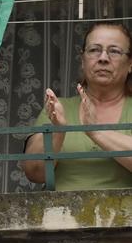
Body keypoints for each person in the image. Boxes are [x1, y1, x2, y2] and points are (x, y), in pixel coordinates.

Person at [23, 22, 132, 190]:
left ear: (130, 63)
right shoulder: (58, 108)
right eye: (94, 50)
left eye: (114, 51)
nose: (103, 58)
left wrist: (96, 132)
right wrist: (58, 131)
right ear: (83, 60)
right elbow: (35, 174)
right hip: (61, 214)